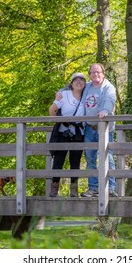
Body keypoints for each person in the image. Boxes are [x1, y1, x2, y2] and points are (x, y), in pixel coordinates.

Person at [80, 63, 117, 197]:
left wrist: (105, 110)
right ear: (89, 74)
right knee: (90, 159)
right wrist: (60, 94)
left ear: (103, 73)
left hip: (105, 128)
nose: (96, 74)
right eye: (92, 73)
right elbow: (73, 88)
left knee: (108, 157)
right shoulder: (88, 86)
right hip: (89, 128)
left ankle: (111, 188)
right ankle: (93, 188)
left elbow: (110, 99)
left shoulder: (108, 87)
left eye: (98, 72)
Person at [48, 73, 86, 197]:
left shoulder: (87, 95)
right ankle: (54, 188)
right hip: (63, 132)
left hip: (78, 133)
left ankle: (74, 189)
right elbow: (52, 110)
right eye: (76, 80)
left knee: (75, 161)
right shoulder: (64, 94)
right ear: (71, 83)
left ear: (85, 83)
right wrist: (59, 122)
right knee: (58, 160)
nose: (79, 82)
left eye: (82, 80)